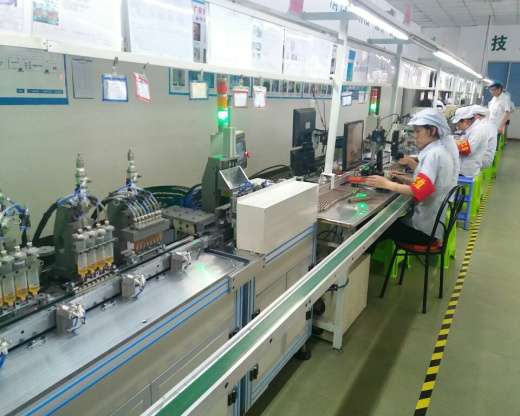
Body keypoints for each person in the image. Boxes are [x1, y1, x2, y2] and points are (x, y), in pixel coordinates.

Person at [366, 108, 459, 249]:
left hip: (422, 231)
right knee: (380, 222)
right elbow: (430, 185)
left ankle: (362, 261)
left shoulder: (433, 155)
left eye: (418, 132)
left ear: (432, 130)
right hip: (432, 225)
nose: (415, 136)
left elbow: (418, 191)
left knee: (371, 228)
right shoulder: (441, 150)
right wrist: (405, 180)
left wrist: (386, 184)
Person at [451, 106, 488, 177]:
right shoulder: (474, 128)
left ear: (465, 121)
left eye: (458, 125)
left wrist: (452, 141)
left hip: (466, 171)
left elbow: (467, 149)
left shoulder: (478, 130)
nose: (458, 127)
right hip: (467, 166)